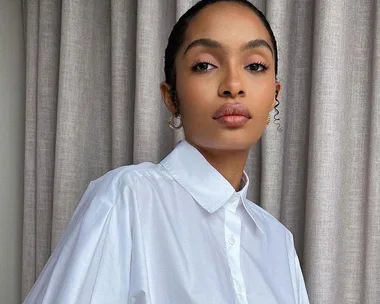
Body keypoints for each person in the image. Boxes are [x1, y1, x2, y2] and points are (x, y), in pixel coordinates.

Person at [24, 0, 310, 303]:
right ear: (171, 97)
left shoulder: (278, 242)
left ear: (274, 95)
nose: (233, 85)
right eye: (205, 65)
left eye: (255, 66)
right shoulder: (128, 198)